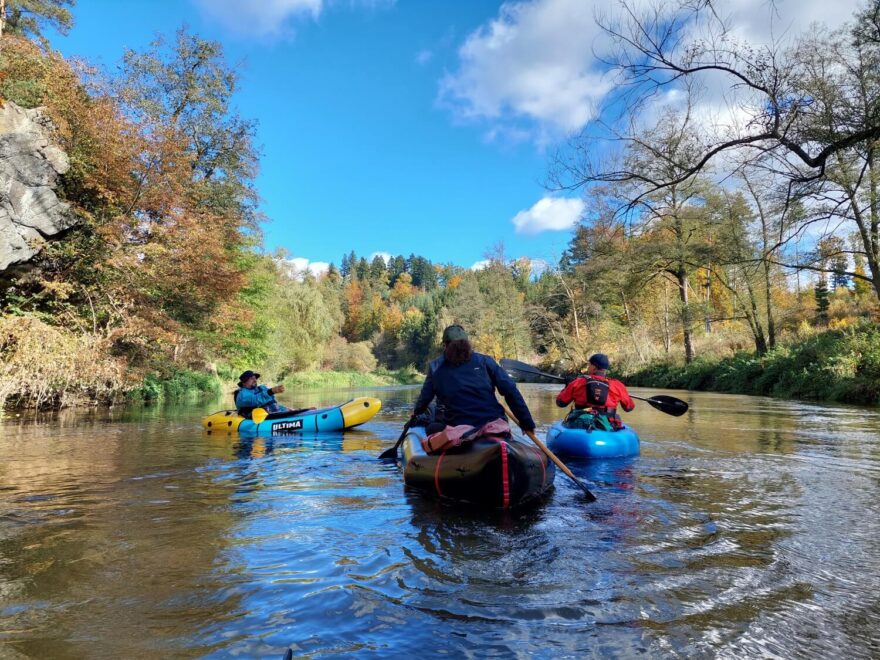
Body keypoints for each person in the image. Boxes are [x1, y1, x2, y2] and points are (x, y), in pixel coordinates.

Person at [412, 324, 536, 433]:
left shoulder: (435, 367)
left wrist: (417, 412)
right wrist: (527, 423)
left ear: (445, 346)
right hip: (492, 421)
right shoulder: (486, 361)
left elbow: (425, 398)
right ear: (467, 344)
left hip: (457, 426)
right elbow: (511, 391)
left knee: (430, 428)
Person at [555, 353, 634, 430]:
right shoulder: (618, 385)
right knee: (616, 418)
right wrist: (623, 394)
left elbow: (560, 402)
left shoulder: (577, 382)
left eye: (589, 365)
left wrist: (567, 385)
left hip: (580, 424)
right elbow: (629, 408)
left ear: (594, 367)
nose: (588, 367)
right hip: (607, 426)